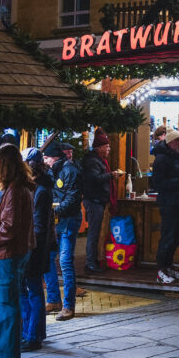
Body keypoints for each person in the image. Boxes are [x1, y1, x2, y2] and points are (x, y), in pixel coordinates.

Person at [0, 143, 36, 358]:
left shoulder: (14, 190)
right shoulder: (22, 187)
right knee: (8, 302)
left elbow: (9, 226)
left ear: (3, 164)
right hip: (19, 251)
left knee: (5, 305)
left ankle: (4, 355)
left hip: (9, 253)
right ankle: (7, 353)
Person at [43, 141, 83, 320]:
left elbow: (72, 198)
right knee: (48, 258)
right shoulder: (53, 170)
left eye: (46, 158)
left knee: (65, 262)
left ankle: (68, 306)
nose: (44, 161)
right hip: (56, 221)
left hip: (68, 221)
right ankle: (53, 299)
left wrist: (53, 211)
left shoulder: (70, 170)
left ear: (54, 158)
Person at [20, 148, 55, 351]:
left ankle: (32, 335)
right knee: (31, 289)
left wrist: (29, 245)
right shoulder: (39, 187)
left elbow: (39, 225)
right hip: (35, 245)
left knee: (32, 289)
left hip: (34, 246)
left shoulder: (40, 190)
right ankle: (34, 332)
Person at [151, 128, 179, 285]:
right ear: (169, 142)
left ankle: (169, 267)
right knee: (168, 236)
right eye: (177, 140)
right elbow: (158, 183)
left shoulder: (178, 156)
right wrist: (178, 182)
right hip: (168, 203)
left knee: (176, 236)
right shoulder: (161, 159)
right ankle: (161, 270)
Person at [81, 128, 121, 273]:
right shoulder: (92, 162)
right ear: (100, 148)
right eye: (107, 146)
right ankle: (90, 263)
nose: (109, 149)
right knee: (93, 233)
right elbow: (94, 179)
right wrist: (110, 175)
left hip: (98, 201)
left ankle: (93, 261)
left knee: (96, 232)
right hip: (94, 201)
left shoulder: (99, 160)